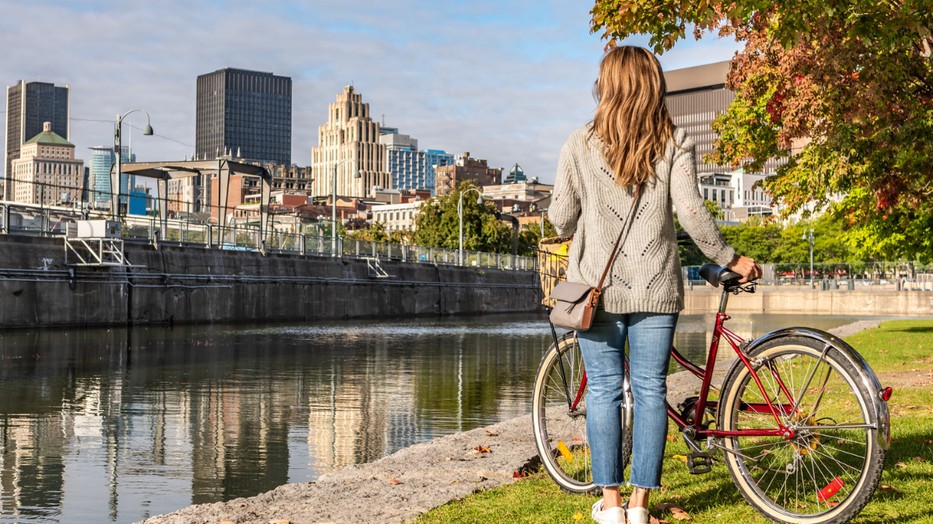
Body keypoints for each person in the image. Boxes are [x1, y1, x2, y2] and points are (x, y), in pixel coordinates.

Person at [547, 46, 760, 524]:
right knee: (649, 390)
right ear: (652, 86)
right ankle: (641, 508)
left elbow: (560, 219)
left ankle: (612, 506)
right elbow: (691, 213)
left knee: (602, 390)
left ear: (607, 87)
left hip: (593, 292)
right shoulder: (674, 140)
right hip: (657, 286)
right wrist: (729, 257)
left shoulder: (577, 143)